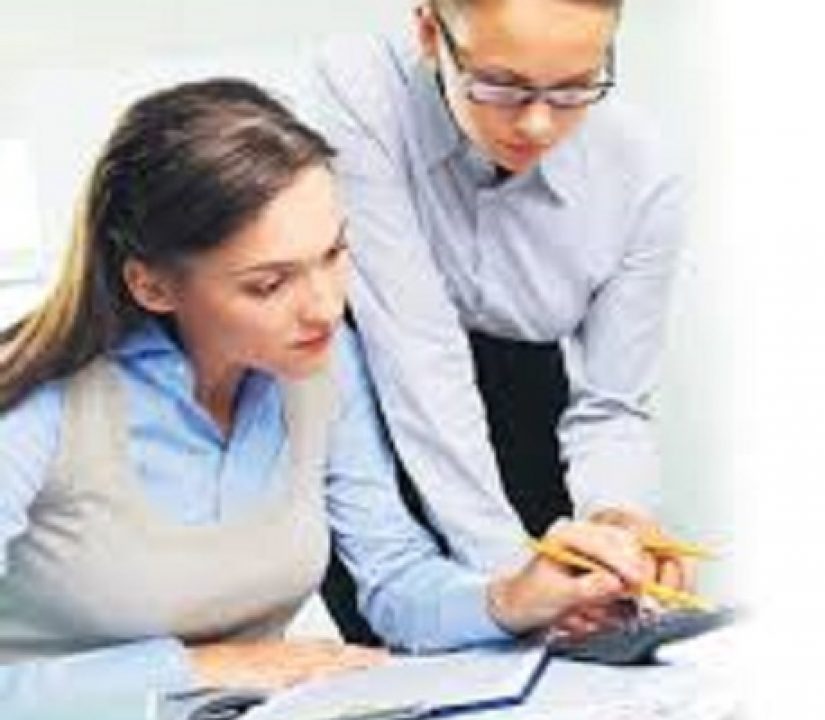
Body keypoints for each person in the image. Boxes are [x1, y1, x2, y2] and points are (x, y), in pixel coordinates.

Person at [0, 78, 649, 711]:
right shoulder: (34, 406)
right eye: (268, 284)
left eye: (334, 253)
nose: (325, 306)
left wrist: (513, 598)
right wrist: (193, 667)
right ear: (152, 286)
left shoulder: (323, 361)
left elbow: (392, 580)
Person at [307, 0, 690, 617]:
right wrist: (511, 585)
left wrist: (619, 521)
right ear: (428, 32)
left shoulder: (641, 172)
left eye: (574, 88)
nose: (537, 125)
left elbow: (612, 404)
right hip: (383, 404)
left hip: (531, 410)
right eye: (500, 86)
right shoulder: (363, 87)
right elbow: (417, 350)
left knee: (585, 637)